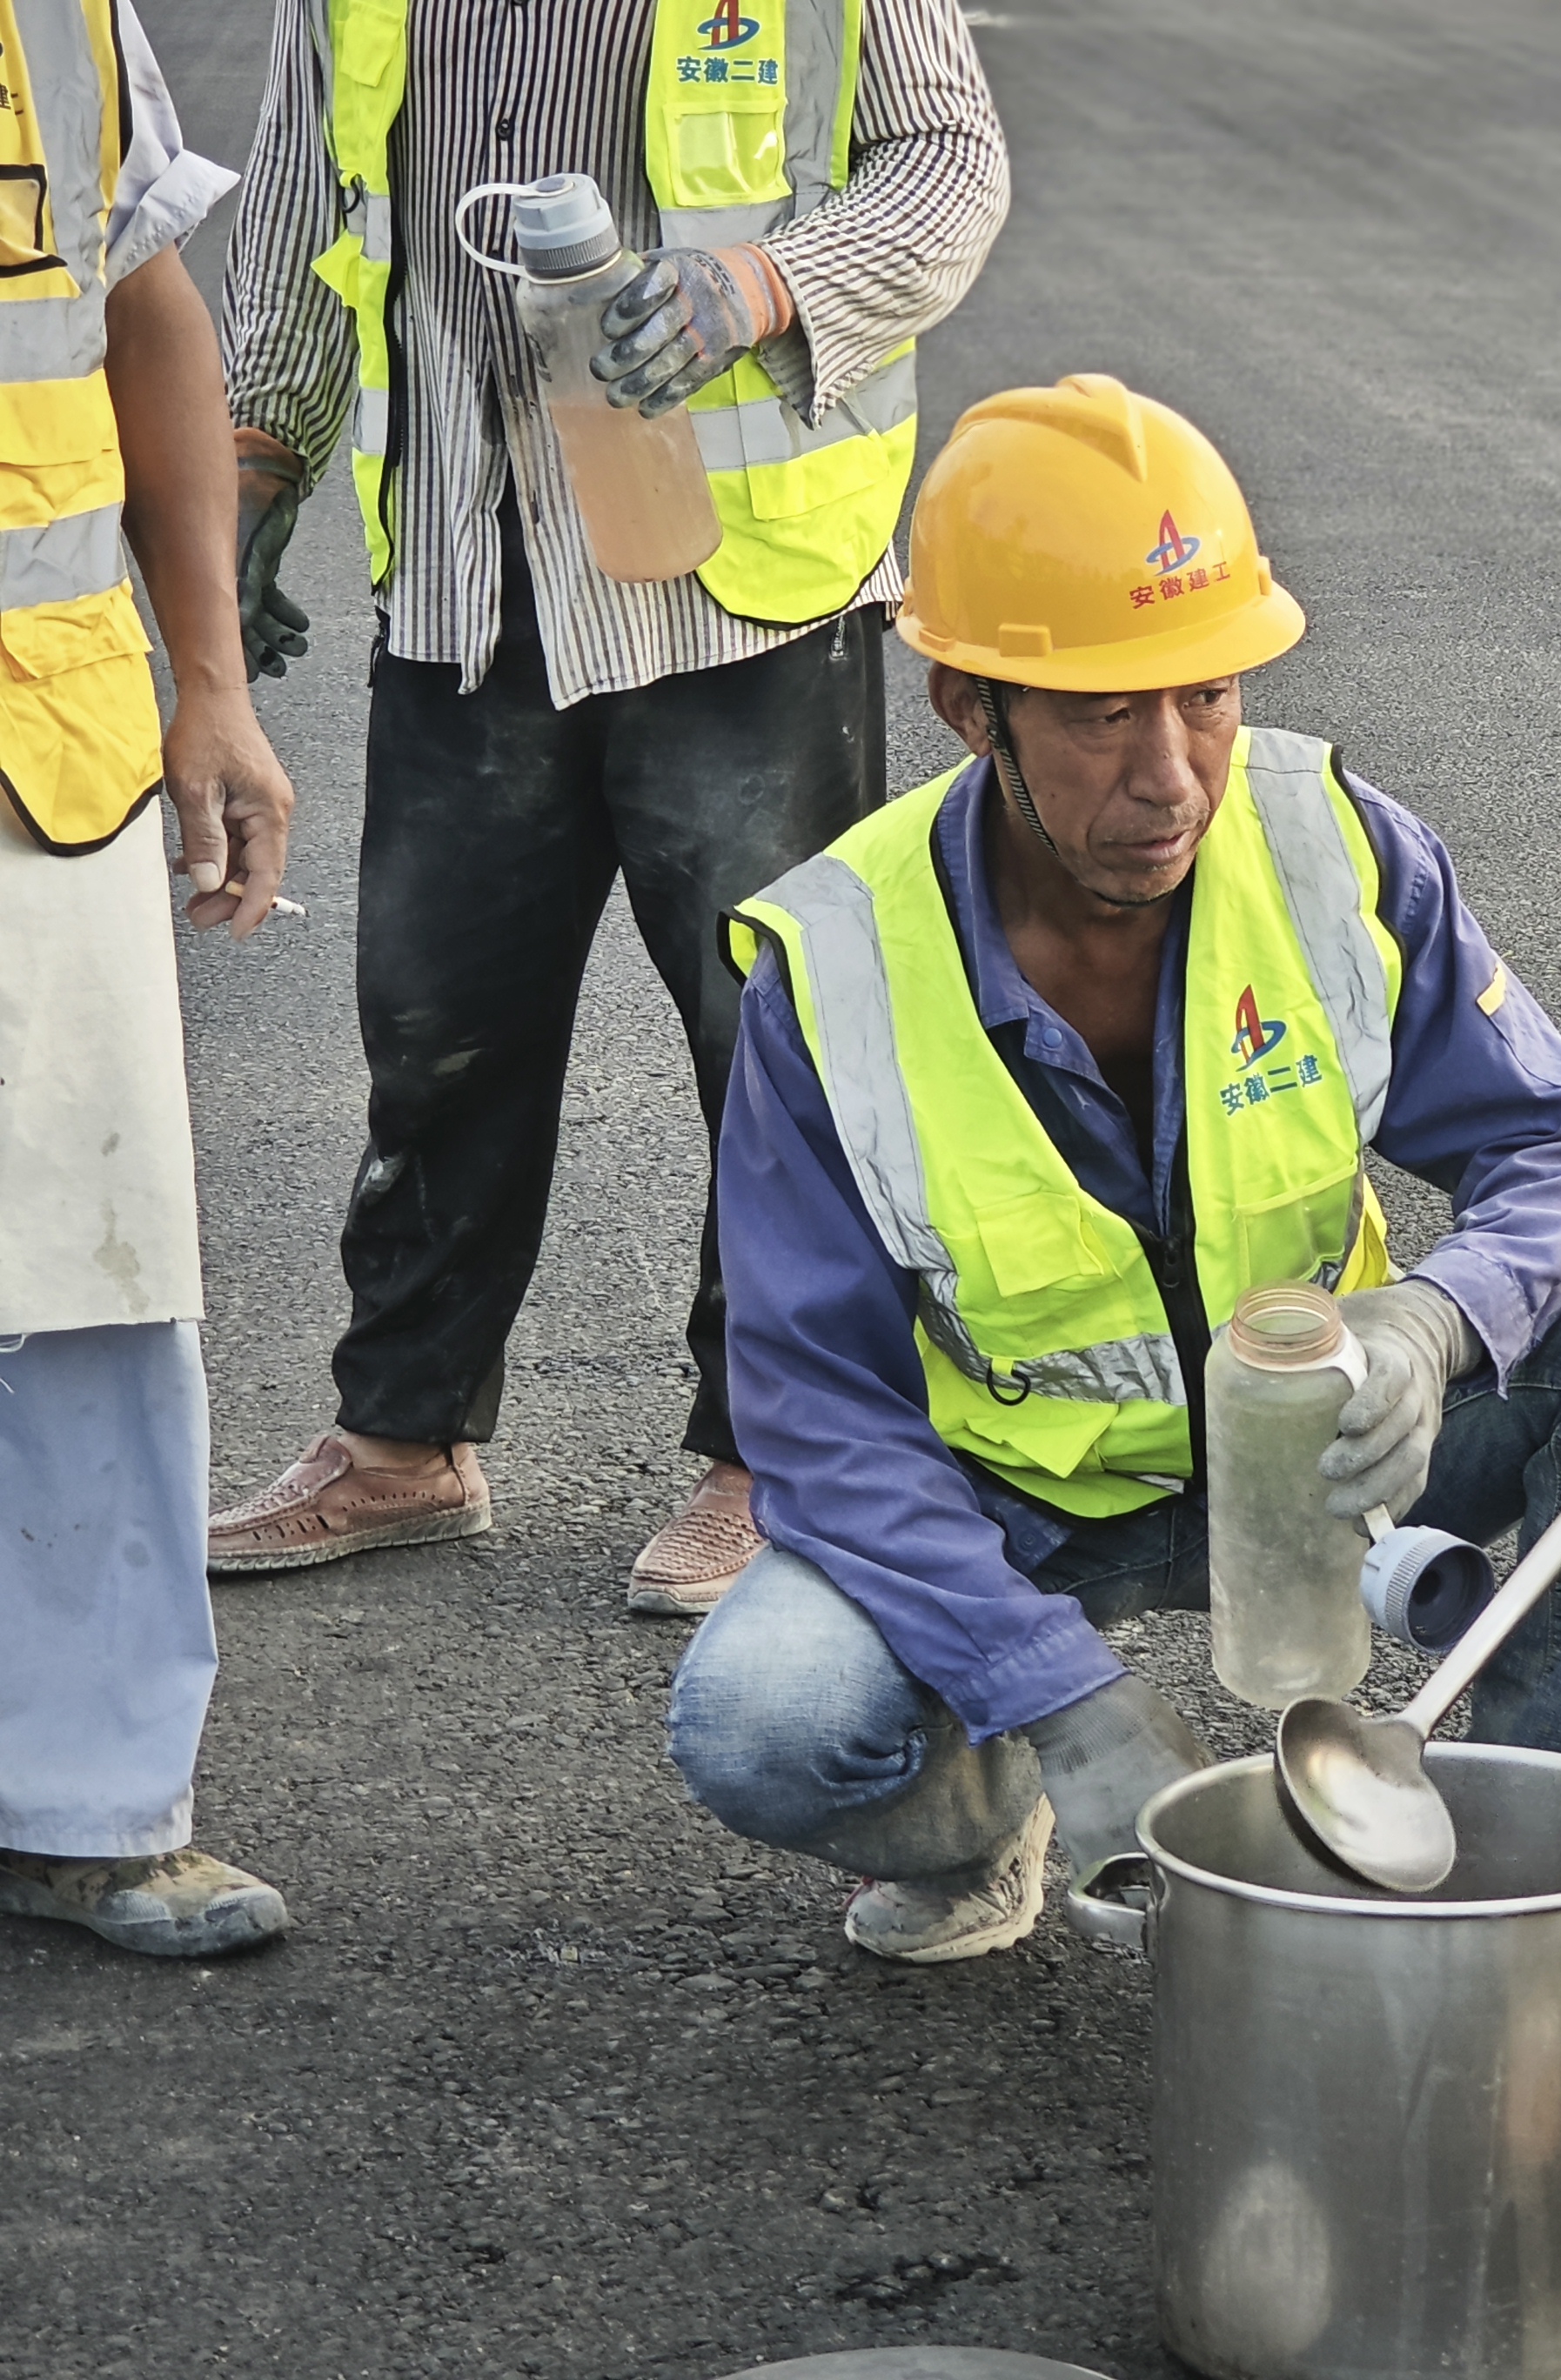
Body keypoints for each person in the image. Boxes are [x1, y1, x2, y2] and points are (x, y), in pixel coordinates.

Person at [664, 375, 1561, 1963]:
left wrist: (1438, 1321)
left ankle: (1543, 1812)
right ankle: (993, 1813)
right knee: (765, 1721)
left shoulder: (1331, 849)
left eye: (1208, 697)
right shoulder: (836, 967)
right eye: (1104, 715)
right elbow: (819, 1411)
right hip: (1023, 1506)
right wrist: (1062, 1704)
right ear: (970, 708)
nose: (1171, 775)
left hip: (1323, 1451)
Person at [203, 0, 1009, 1615]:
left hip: (730, 584)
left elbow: (949, 163)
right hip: (468, 564)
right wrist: (259, 456)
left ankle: (778, 1452)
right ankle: (404, 1434)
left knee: (774, 1043)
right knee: (435, 1032)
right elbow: (304, 204)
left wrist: (764, 283)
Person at [0, 0, 304, 1957]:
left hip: (51, 739)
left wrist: (213, 679)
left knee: (98, 1281)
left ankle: (93, 1797)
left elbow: (142, 307)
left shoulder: (63, 17)